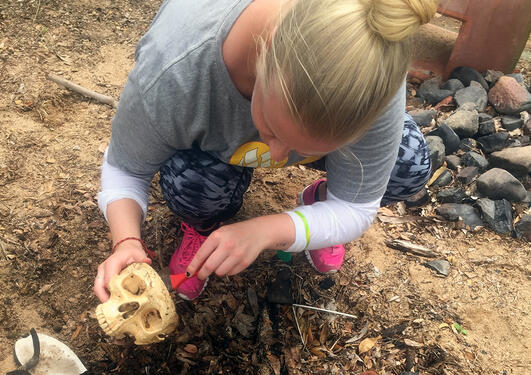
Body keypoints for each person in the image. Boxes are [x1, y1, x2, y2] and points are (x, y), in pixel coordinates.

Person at [94, 0, 436, 302]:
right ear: (264, 52)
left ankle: (319, 204)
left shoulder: (370, 67)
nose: (277, 157)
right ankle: (203, 225)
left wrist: (266, 231)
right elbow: (126, 169)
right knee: (194, 186)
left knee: (407, 165)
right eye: (270, 129)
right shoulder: (175, 72)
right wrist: (125, 241)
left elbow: (357, 207)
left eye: (302, 150)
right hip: (208, 145)